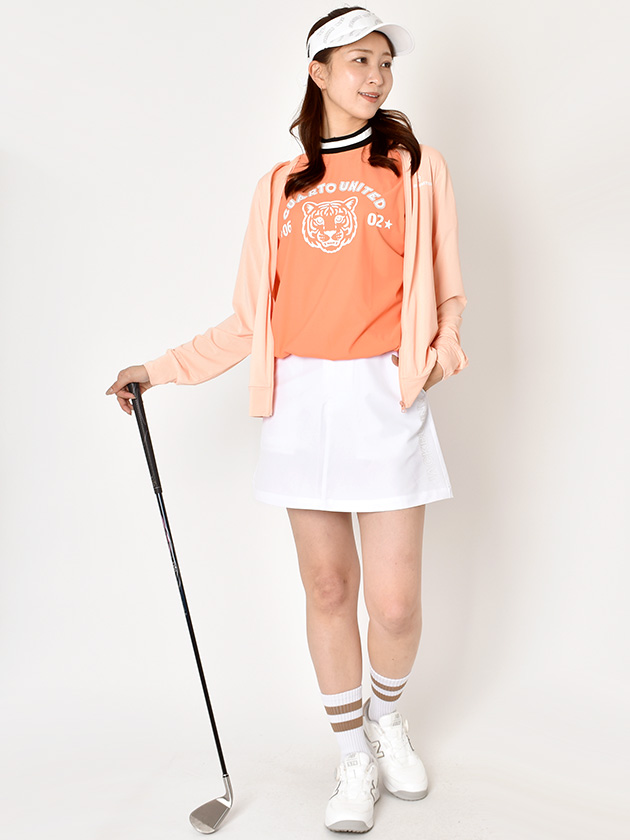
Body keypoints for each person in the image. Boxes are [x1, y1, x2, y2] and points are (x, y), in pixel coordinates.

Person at [105, 6, 469, 834]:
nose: (375, 76)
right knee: (329, 587)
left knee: (396, 605)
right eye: (359, 60)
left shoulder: (416, 168)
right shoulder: (280, 185)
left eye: (384, 62)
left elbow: (449, 290)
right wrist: (159, 369)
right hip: (302, 400)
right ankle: (351, 756)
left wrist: (436, 359)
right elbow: (249, 320)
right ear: (319, 71)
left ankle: (386, 721)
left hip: (385, 398)